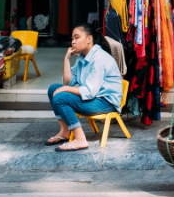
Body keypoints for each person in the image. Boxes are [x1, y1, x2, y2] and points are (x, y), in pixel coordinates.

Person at [45, 23, 123, 152]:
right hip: (94, 99)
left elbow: (89, 92)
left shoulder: (99, 58)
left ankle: (80, 138)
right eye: (72, 38)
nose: (73, 42)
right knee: (53, 89)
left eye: (77, 37)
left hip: (105, 102)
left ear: (89, 39)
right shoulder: (82, 57)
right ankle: (65, 131)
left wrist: (65, 90)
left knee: (60, 96)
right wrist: (66, 59)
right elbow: (68, 83)